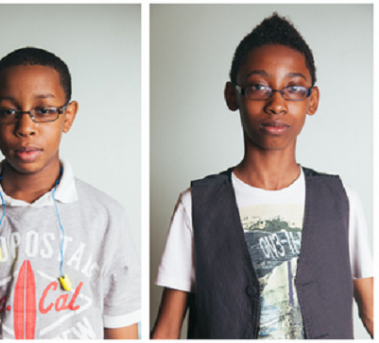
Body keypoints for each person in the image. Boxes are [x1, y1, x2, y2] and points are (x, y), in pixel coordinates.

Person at [151, 13, 373, 339]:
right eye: (258, 86)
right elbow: (167, 329)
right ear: (232, 95)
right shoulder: (196, 204)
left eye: (294, 88)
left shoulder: (341, 200)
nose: (277, 103)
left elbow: (371, 312)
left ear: (312, 100)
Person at [0, 47, 141, 339]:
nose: (25, 127)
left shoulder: (105, 217)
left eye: (44, 111)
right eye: (8, 112)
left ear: (68, 116)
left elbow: (121, 327)